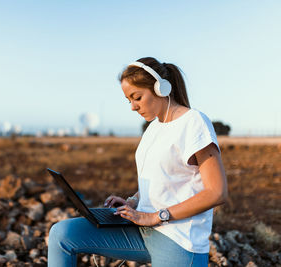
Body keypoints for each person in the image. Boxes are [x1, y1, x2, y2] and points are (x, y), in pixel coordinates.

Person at [48, 57, 228, 267]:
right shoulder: (153, 128)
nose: (133, 107)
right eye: (128, 100)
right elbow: (162, 178)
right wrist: (133, 201)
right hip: (141, 229)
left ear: (160, 88)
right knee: (61, 234)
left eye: (137, 97)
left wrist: (155, 217)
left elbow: (217, 192)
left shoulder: (193, 122)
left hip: (177, 238)